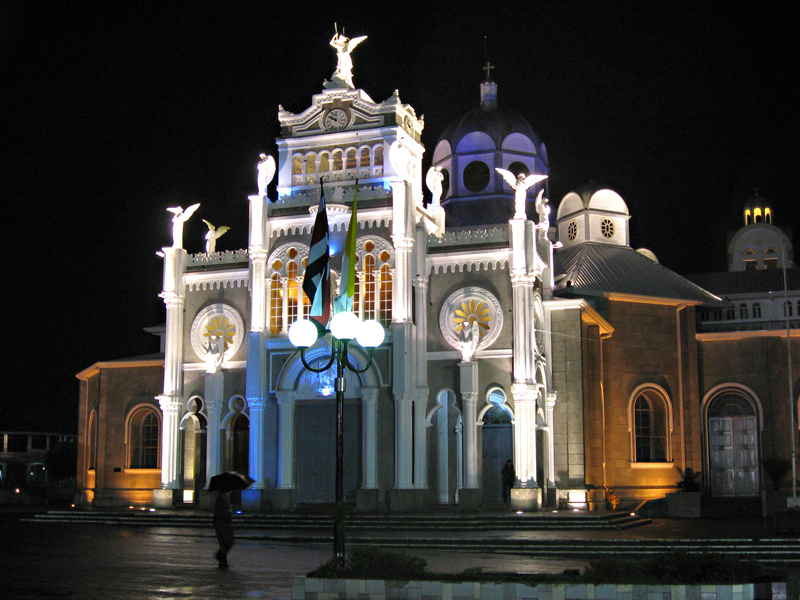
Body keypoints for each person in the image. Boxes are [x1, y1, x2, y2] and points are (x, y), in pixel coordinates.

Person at [213, 490, 234, 568]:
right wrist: (228, 510)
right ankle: (221, 560)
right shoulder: (220, 501)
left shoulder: (226, 501)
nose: (229, 494)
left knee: (228, 542)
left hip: (226, 524)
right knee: (225, 542)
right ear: (224, 493)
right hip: (221, 525)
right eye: (228, 492)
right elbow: (220, 514)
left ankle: (221, 559)